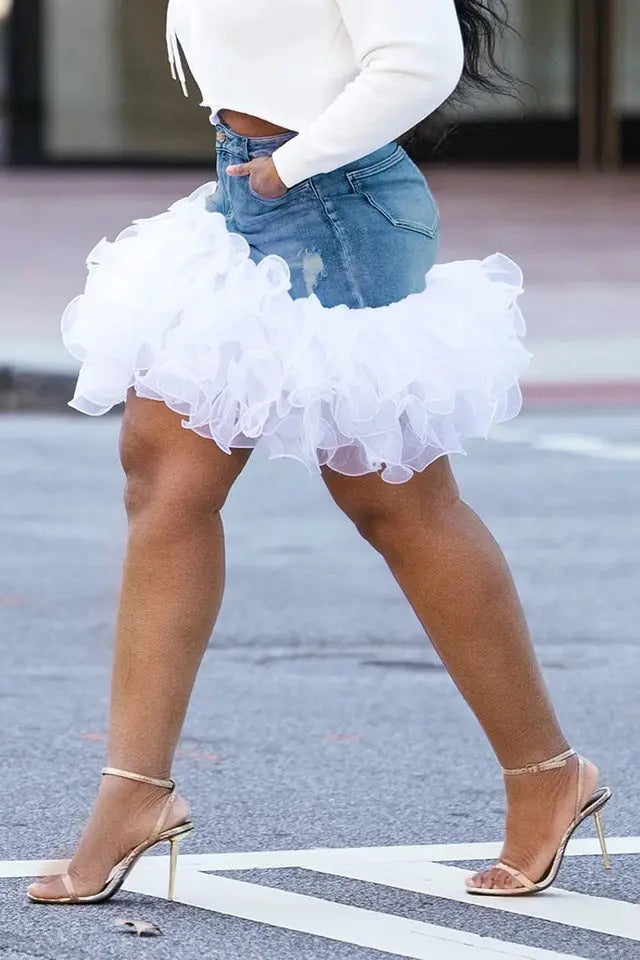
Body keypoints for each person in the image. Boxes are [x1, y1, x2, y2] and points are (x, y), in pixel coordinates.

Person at [28, 0, 611, 905]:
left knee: (398, 503)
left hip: (333, 210)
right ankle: (135, 791)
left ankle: (547, 773)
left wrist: (288, 167)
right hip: (247, 194)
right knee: (165, 478)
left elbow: (420, 60)